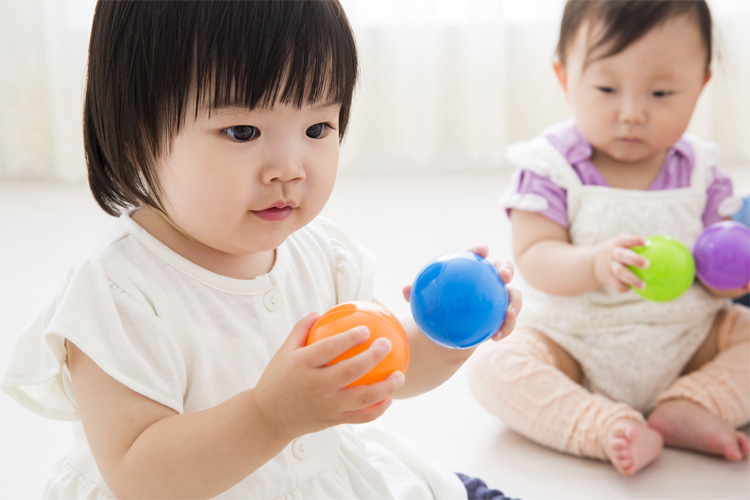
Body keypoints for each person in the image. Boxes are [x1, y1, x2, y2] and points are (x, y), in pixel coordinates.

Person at [0, 2, 523, 498]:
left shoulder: (321, 254)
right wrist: (269, 416)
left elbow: (388, 369)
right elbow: (138, 476)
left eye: (318, 127)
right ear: (138, 134)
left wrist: (453, 330)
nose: (290, 168)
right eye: (243, 131)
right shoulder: (117, 294)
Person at [468, 0, 749, 477]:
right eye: (606, 88)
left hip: (687, 338)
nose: (632, 112)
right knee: (493, 369)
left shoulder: (701, 170)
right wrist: (595, 264)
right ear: (565, 79)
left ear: (700, 85)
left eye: (661, 92)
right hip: (575, 343)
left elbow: (720, 269)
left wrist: (731, 278)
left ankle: (693, 401)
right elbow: (535, 256)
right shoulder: (552, 167)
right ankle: (601, 425)